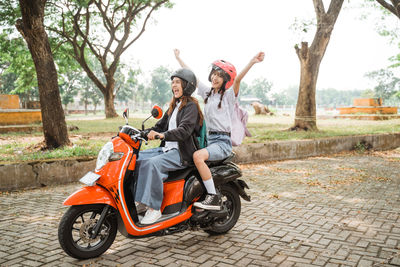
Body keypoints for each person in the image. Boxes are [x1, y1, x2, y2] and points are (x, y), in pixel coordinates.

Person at [174, 49, 265, 210]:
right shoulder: (207, 93)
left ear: (225, 80)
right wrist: (178, 58)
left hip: (222, 142)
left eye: (220, 75)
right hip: (209, 140)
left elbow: (237, 80)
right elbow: (192, 75)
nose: (215, 77)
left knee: (197, 156)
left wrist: (252, 61)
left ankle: (213, 196)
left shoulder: (229, 96)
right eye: (214, 74)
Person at [135, 68, 203, 224]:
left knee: (152, 164)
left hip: (182, 153)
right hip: (167, 149)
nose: (174, 85)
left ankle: (154, 209)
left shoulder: (191, 106)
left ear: (187, 85)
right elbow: (159, 126)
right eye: (173, 82)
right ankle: (141, 201)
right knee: (136, 159)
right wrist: (140, 133)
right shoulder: (174, 106)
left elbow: (184, 130)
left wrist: (163, 135)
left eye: (178, 82)